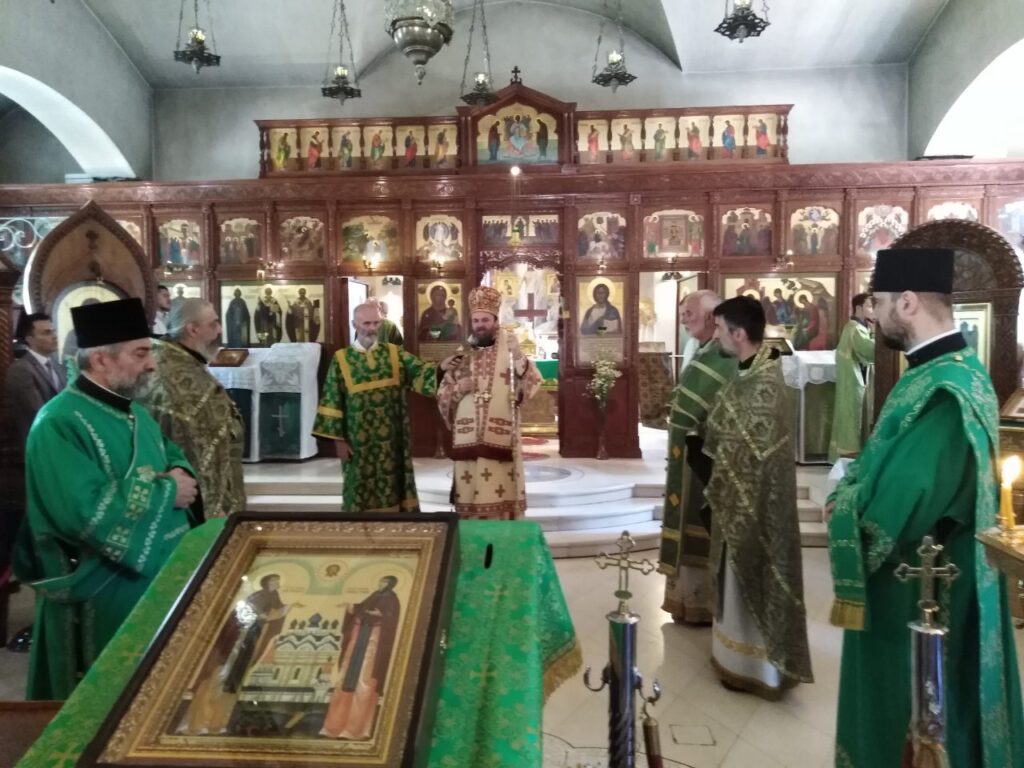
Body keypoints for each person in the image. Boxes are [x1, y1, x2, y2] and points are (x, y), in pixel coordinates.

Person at [826, 248, 1024, 767]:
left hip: (918, 591)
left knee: (912, 719)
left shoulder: (943, 389)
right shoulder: (950, 370)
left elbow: (904, 496)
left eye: (882, 302)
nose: (875, 313)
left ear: (908, 303)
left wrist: (844, 507)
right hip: (930, 579)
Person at [14, 298, 201, 699]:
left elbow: (172, 456)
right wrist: (168, 490)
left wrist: (180, 474)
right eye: (141, 353)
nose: (152, 364)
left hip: (154, 577)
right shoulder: (58, 423)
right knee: (109, 703)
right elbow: (84, 513)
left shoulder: (133, 412)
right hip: (101, 590)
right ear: (101, 360)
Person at [701, 296, 813, 699]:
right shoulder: (745, 370)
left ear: (738, 333)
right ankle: (732, 658)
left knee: (758, 570)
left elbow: (759, 442)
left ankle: (762, 667)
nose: (715, 337)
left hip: (761, 503)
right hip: (732, 495)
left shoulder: (769, 378)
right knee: (733, 581)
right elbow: (724, 426)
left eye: (719, 329)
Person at [313, 302, 460, 513]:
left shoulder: (394, 353)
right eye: (366, 323)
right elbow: (331, 400)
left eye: (376, 323)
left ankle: (396, 528)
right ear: (355, 324)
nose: (372, 328)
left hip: (392, 441)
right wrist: (339, 441)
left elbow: (420, 373)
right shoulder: (341, 359)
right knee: (359, 486)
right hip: (358, 441)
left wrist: (441, 367)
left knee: (393, 486)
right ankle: (359, 529)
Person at [658, 291, 736, 624]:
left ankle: (701, 602)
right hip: (691, 453)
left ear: (710, 316)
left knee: (696, 517)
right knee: (687, 511)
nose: (683, 318)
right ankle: (686, 600)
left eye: (688, 312)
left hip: (704, 455)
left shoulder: (721, 354)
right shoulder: (705, 350)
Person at [437, 286, 542, 520]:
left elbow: (533, 380)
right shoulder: (463, 352)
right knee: (469, 491)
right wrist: (457, 390)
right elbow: (443, 393)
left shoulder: (510, 347)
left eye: (485, 319)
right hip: (468, 437)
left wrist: (520, 362)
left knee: (501, 486)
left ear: (496, 320)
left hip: (501, 437)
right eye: (476, 320)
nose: (480, 325)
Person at [137, 299, 246, 519]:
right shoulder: (174, 374)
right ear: (192, 329)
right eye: (214, 324)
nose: (220, 330)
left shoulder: (179, 361)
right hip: (190, 500)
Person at [3, 313, 64, 587]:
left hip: (56, 449)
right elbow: (38, 412)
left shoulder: (59, 367)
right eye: (46, 332)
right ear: (29, 338)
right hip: (33, 452)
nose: (53, 336)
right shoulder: (20, 370)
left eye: (53, 331)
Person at [321, 576, 401, 740]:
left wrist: (379, 615)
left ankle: (355, 730)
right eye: (380, 581)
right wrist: (350, 607)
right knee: (344, 682)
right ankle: (333, 728)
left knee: (364, 684)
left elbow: (390, 618)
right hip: (358, 639)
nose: (380, 584)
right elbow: (361, 608)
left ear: (390, 585)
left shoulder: (392, 599)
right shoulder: (374, 595)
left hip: (373, 642)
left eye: (384, 582)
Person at [827, 293, 875, 463]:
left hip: (853, 380)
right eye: (870, 306)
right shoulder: (855, 328)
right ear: (859, 308)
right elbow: (869, 351)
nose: (873, 310)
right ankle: (849, 456)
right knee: (851, 419)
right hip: (853, 382)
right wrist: (879, 336)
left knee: (849, 417)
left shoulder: (855, 327)